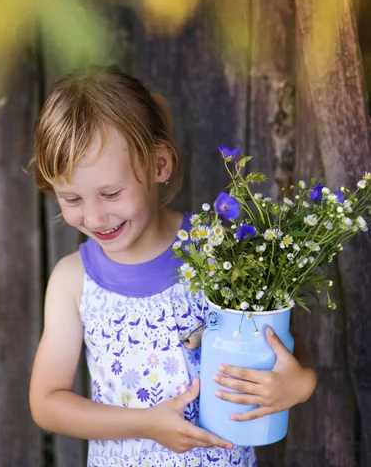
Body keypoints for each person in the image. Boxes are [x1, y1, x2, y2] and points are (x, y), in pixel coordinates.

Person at [29, 67, 317, 467]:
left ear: (159, 165)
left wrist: (300, 384)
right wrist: (146, 423)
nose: (94, 218)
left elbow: (282, 344)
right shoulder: (72, 281)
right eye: (71, 199)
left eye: (110, 192)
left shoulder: (218, 251)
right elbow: (47, 403)